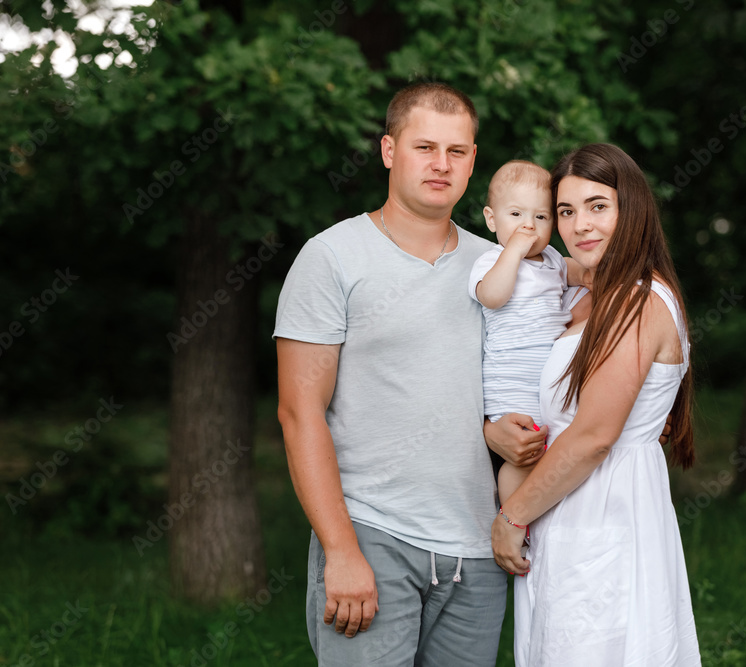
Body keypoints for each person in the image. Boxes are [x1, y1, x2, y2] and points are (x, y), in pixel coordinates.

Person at [274, 82, 546, 667]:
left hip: (478, 549)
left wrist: (495, 431)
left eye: (457, 151)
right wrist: (340, 549)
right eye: (425, 147)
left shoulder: (497, 265)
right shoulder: (332, 257)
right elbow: (299, 414)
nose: (441, 165)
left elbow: (497, 381)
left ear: (474, 160)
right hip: (373, 536)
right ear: (389, 151)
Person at [488, 143, 702, 665]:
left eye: (597, 206)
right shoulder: (586, 293)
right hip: (563, 508)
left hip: (607, 510)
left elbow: (593, 436)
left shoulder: (637, 300)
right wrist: (494, 430)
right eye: (565, 211)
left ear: (631, 208)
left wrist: (512, 517)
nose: (580, 224)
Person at [468, 159, 576, 504]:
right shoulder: (492, 260)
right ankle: (512, 520)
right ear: (491, 219)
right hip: (511, 387)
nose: (528, 226)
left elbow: (578, 274)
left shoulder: (554, 260)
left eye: (541, 217)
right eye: (516, 215)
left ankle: (538, 528)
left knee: (552, 454)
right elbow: (493, 297)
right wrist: (513, 252)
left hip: (547, 380)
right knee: (523, 458)